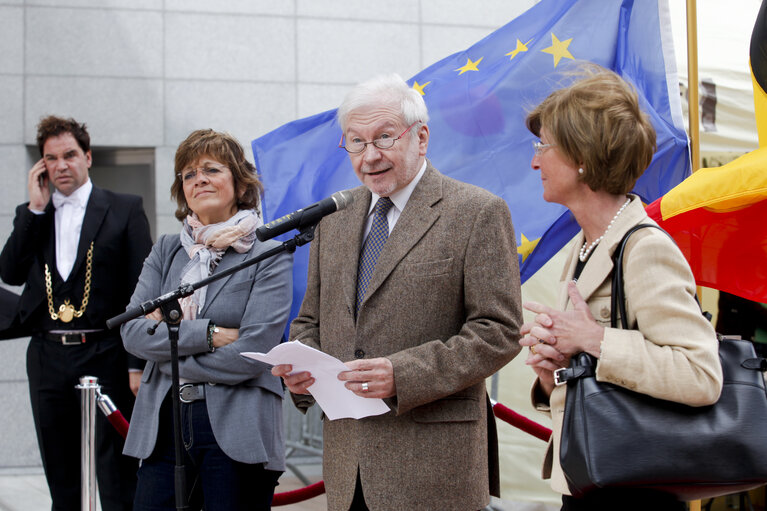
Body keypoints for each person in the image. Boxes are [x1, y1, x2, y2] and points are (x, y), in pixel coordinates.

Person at [272, 73, 522, 511]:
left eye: (384, 138)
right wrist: (303, 371)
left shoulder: (476, 212)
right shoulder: (334, 220)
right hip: (348, 467)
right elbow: (310, 320)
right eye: (355, 142)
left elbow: (498, 331)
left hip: (435, 469)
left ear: (421, 138)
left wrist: (402, 374)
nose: (369, 156)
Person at [519, 66, 724, 511]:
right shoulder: (587, 245)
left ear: (584, 159)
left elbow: (701, 374)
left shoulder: (644, 248)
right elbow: (599, 376)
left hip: (637, 488)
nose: (535, 161)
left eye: (545, 146)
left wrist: (592, 338)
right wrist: (552, 366)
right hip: (592, 480)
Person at [120, 129, 292, 511]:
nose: (198, 179)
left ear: (239, 181)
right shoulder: (166, 249)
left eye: (211, 169)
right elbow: (133, 332)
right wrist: (211, 333)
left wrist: (167, 354)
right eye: (188, 174)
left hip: (238, 427)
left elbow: (254, 350)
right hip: (164, 424)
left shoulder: (268, 253)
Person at [0, 115, 152, 510]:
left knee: (117, 470)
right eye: (51, 158)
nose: (61, 165)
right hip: (48, 355)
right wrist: (35, 211)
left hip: (106, 353)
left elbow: (143, 290)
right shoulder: (32, 214)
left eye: (69, 155)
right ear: (42, 166)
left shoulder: (124, 208)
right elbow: (10, 272)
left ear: (87, 157)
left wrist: (137, 364)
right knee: (60, 467)